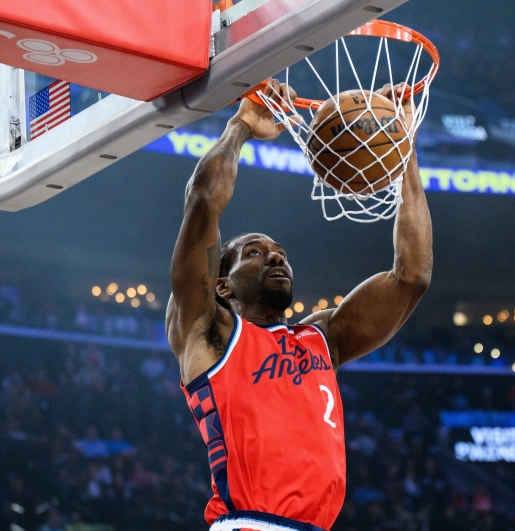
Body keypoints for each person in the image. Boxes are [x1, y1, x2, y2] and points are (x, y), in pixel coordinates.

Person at [166, 79, 432, 531]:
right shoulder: (207, 331)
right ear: (223, 287)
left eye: (280, 253)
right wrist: (241, 126)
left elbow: (412, 276)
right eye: (253, 252)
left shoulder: (319, 339)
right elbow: (204, 200)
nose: (274, 255)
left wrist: (403, 151)